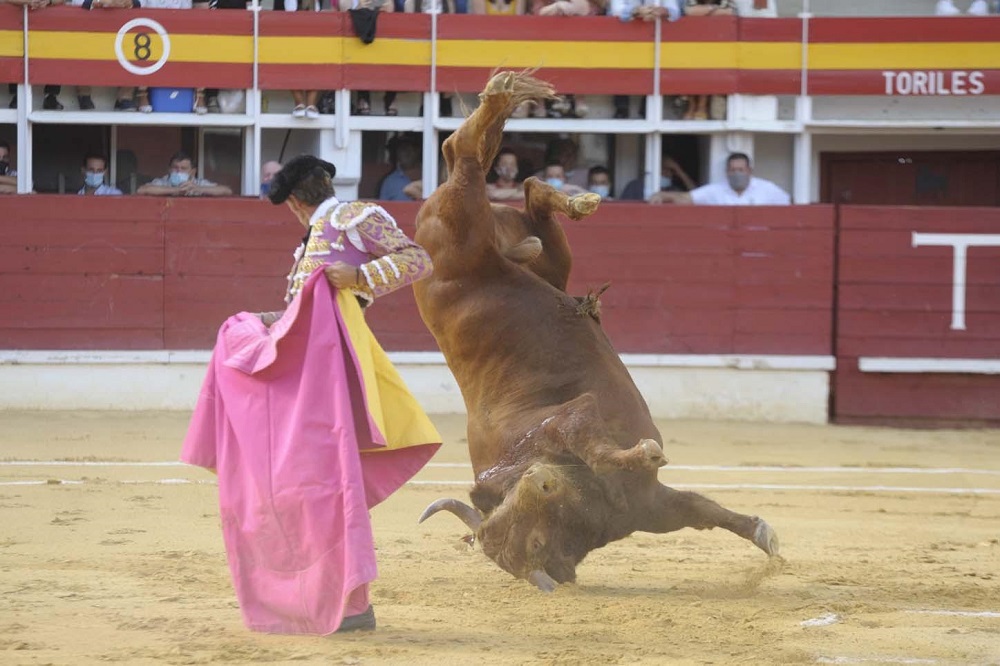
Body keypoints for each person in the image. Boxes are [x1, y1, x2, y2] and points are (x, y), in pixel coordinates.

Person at [180, 155, 441, 636]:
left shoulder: (355, 217)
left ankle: (351, 601)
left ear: (297, 203)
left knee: (325, 483)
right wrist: (273, 324)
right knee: (308, 485)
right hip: (310, 374)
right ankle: (336, 598)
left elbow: (418, 260)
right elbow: (304, 316)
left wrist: (359, 279)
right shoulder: (316, 238)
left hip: (335, 373)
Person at [652, 152, 790, 205]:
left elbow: (789, 206)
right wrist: (663, 195)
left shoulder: (767, 189)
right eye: (733, 170)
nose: (737, 173)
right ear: (727, 172)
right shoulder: (716, 190)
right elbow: (688, 198)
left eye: (741, 170)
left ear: (749, 171)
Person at [137, 151, 233, 197]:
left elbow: (227, 191)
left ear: (192, 172)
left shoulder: (198, 183)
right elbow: (142, 190)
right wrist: (176, 190)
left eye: (183, 169)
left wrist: (198, 189)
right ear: (169, 169)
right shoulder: (164, 181)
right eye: (175, 168)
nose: (178, 171)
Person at [619, 154, 696, 201]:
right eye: (664, 169)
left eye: (671, 170)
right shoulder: (635, 186)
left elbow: (697, 195)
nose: (668, 173)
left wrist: (679, 171)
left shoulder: (673, 189)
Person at [378, 135, 421, 201]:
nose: (406, 152)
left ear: (418, 150)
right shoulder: (390, 182)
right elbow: (381, 209)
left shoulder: (430, 177)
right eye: (403, 149)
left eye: (410, 148)